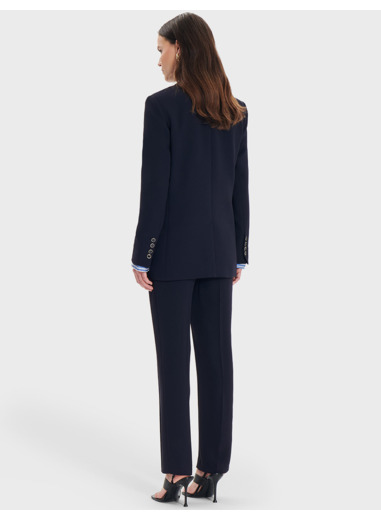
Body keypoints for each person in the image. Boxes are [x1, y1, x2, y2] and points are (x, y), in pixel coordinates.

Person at [131, 12, 249, 507]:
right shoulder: (235, 110)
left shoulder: (161, 107)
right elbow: (240, 189)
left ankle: (177, 472)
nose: (158, 59)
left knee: (174, 365)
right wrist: (240, 253)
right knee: (217, 363)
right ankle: (210, 471)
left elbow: (154, 187)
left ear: (180, 48)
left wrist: (142, 254)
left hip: (173, 258)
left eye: (161, 49)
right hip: (220, 255)